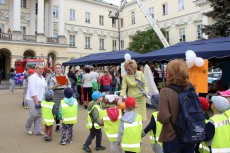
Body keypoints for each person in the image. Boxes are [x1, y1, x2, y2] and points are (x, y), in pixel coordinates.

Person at [157, 59, 195, 153]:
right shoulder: (191, 88)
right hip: (189, 134)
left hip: (171, 136)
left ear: (169, 73)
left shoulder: (165, 91)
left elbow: (163, 117)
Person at [46, 63, 71, 132]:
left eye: (59, 68)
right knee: (56, 110)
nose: (58, 69)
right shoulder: (52, 77)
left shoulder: (65, 76)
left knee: (64, 110)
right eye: (56, 68)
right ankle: (57, 124)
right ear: (55, 69)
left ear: (61, 69)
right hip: (56, 94)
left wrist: (67, 87)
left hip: (64, 94)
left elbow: (69, 84)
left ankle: (64, 124)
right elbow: (50, 88)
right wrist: (56, 85)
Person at [25, 64, 47, 135]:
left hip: (41, 99)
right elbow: (32, 90)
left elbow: (44, 89)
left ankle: (38, 130)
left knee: (39, 115)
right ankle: (27, 127)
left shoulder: (43, 78)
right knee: (33, 114)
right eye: (39, 69)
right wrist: (36, 100)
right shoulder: (32, 77)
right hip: (32, 99)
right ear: (36, 69)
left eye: (42, 69)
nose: (41, 70)